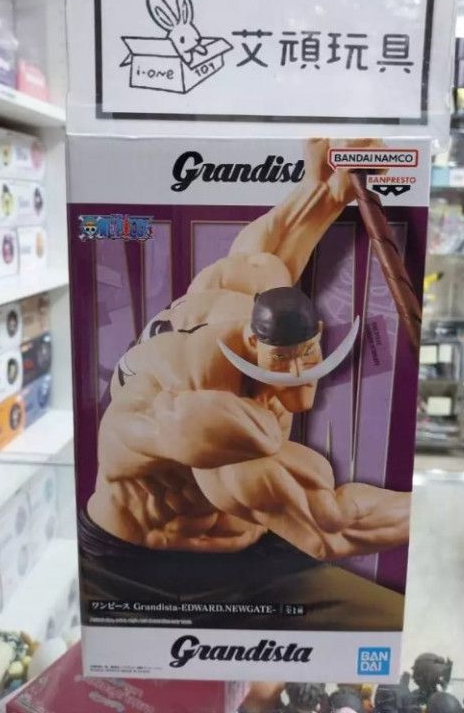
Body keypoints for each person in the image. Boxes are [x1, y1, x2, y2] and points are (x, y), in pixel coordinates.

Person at [81, 139, 411, 630]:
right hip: (130, 569)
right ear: (254, 346)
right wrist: (438, 509)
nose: (297, 380)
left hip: (259, 553)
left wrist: (325, 188)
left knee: (382, 622)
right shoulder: (202, 414)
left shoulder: (239, 292)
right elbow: (332, 526)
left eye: (307, 356)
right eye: (283, 362)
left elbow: (269, 246)